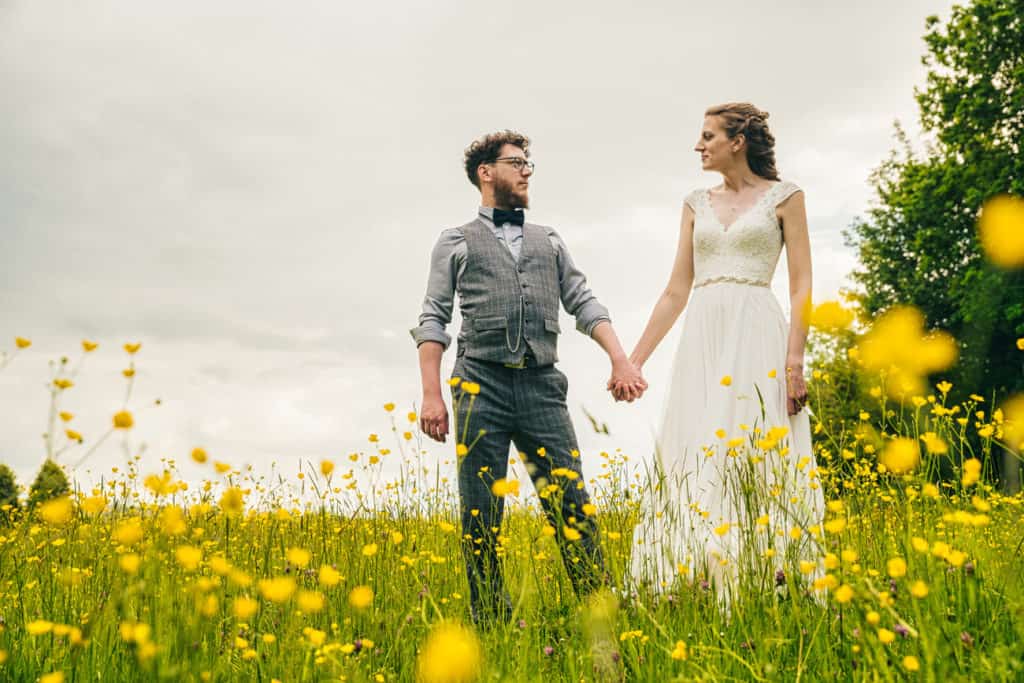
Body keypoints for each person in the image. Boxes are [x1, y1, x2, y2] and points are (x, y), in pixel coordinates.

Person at [412, 130, 646, 625]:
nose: (525, 171)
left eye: (528, 164)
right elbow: (433, 317)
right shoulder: (454, 241)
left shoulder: (550, 240)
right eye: (516, 162)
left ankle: (600, 617)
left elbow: (583, 302)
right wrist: (432, 396)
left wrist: (620, 359)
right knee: (480, 514)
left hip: (542, 387)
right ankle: (491, 625)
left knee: (572, 506)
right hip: (479, 385)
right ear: (486, 172)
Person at [617, 103, 825, 600]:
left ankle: (769, 580)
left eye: (708, 135)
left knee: (758, 448)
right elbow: (675, 291)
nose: (698, 145)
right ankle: (694, 578)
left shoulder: (786, 197)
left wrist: (795, 362)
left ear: (739, 141)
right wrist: (634, 359)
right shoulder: (694, 202)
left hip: (758, 331)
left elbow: (801, 285)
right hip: (703, 333)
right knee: (693, 445)